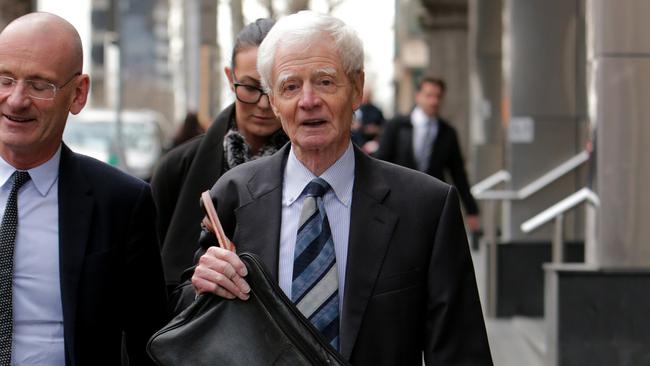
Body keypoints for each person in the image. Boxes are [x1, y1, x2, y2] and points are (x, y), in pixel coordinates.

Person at [190, 11, 492, 365]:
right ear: (273, 101)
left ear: (357, 88)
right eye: (289, 86)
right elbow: (192, 319)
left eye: (325, 82)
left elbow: (460, 352)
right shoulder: (233, 195)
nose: (308, 100)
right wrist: (202, 287)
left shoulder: (426, 207)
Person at [0, 12, 168, 366]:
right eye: (5, 79)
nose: (16, 99)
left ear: (78, 94)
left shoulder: (121, 203)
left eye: (39, 84)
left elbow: (148, 340)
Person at [151, 18, 287, 295]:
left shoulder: (312, 168)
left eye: (273, 88)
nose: (262, 104)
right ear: (230, 78)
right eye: (249, 87)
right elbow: (146, 281)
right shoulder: (177, 168)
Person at [375, 76, 481, 232]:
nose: (434, 101)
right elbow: (379, 163)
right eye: (429, 95)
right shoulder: (396, 126)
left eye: (438, 97)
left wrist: (471, 209)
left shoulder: (447, 132)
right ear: (418, 96)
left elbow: (458, 173)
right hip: (398, 201)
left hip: (431, 203)